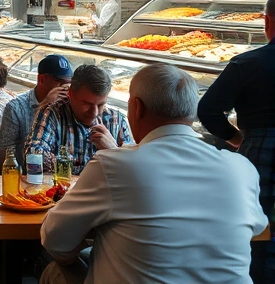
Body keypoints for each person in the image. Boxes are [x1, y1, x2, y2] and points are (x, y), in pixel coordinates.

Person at [40, 64, 267, 284]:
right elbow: (257, 228)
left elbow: (55, 239)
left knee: (55, 270)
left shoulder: (113, 166)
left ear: (137, 107)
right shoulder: (242, 168)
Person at [198, 0, 275, 280]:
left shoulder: (247, 63)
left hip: (260, 152)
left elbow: (207, 110)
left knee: (258, 233)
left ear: (266, 22)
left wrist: (239, 139)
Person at [26, 64, 133, 176]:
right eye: (87, 104)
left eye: (101, 105)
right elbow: (33, 156)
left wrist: (112, 151)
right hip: (64, 192)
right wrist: (112, 161)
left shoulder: (117, 121)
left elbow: (135, 171)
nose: (94, 112)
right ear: (71, 94)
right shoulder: (54, 114)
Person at [0, 54, 72, 172]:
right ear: (41, 80)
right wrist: (43, 108)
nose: (66, 87)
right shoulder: (15, 108)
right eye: (60, 82)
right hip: (28, 179)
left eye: (69, 82)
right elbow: (2, 154)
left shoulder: (69, 107)